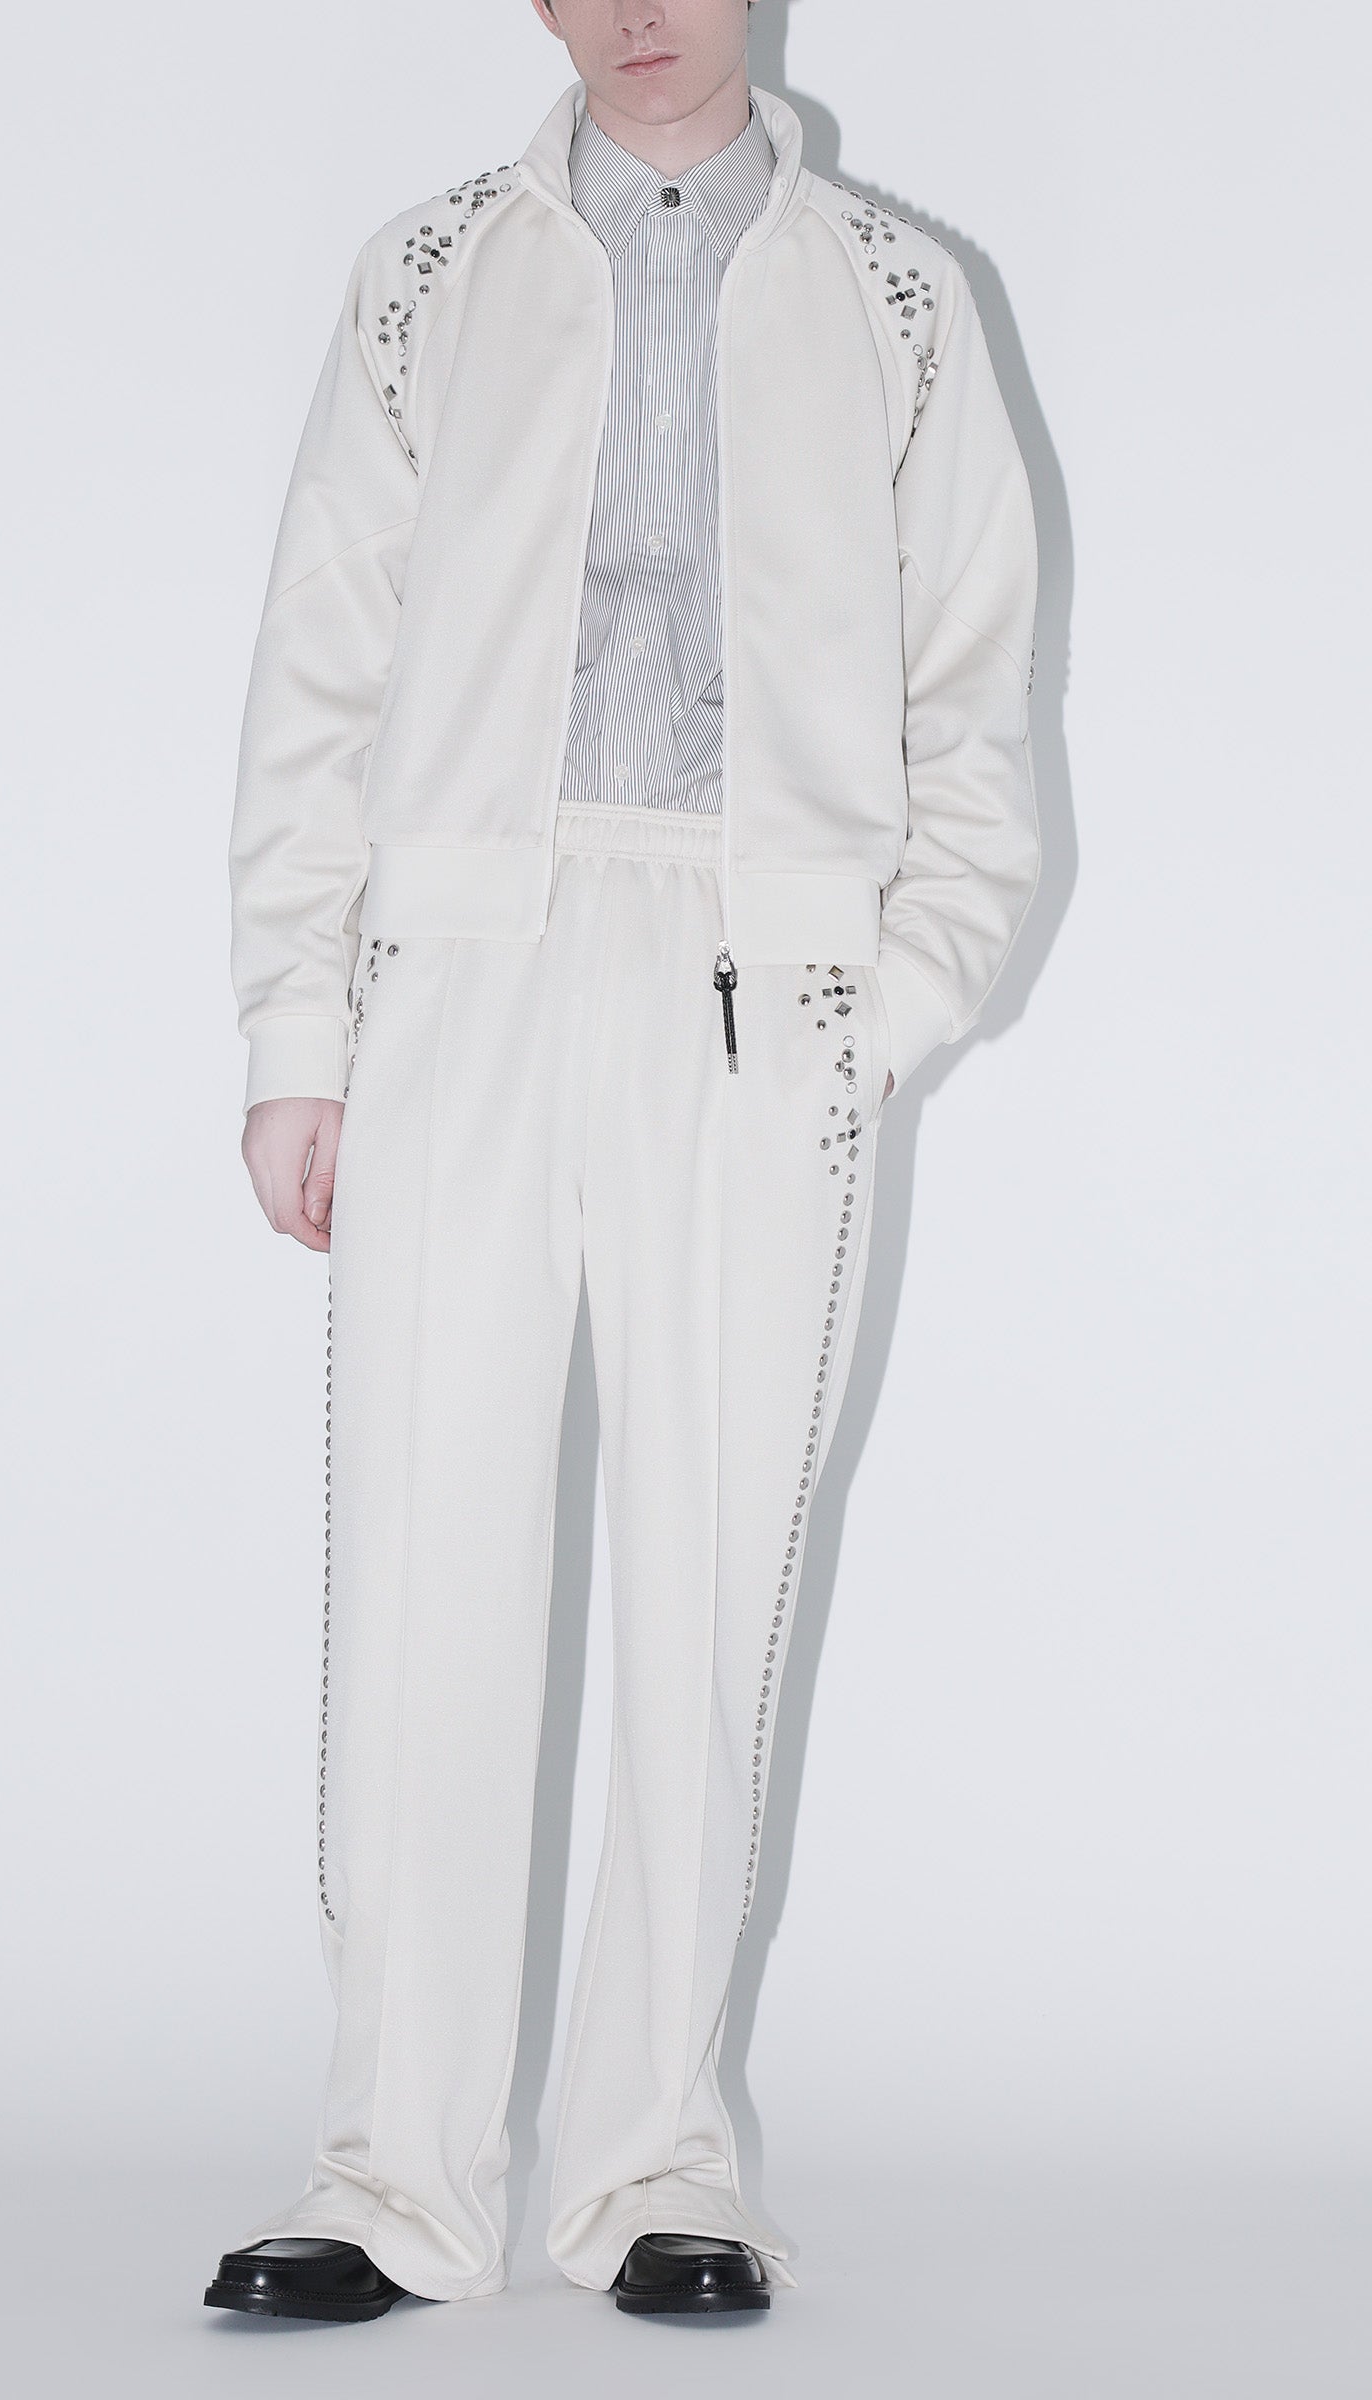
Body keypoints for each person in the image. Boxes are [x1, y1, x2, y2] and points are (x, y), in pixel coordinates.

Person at [205, 0, 1039, 2325]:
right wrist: (298, 1030)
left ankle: (658, 2165)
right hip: (460, 966)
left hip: (762, 988)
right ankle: (391, 2176)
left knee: (708, 1572)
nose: (637, 7)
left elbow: (975, 689)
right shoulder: (429, 276)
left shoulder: (896, 299)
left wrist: (885, 1000)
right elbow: (320, 665)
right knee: (422, 1570)